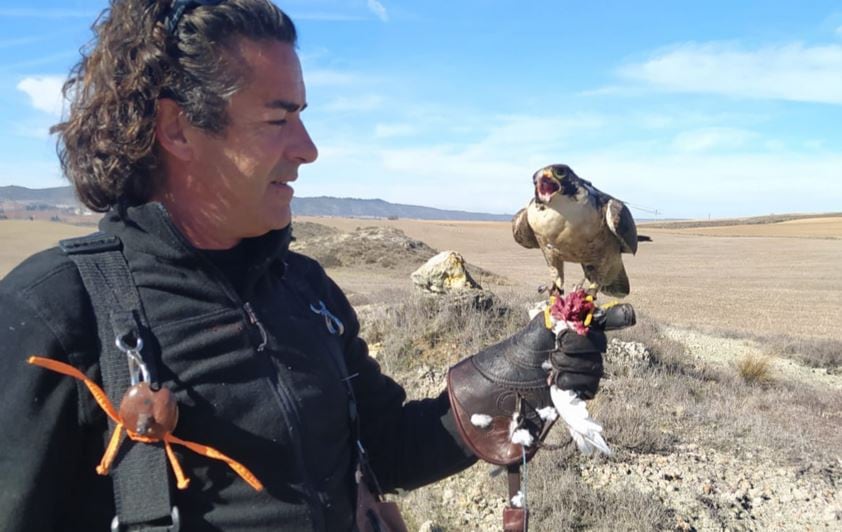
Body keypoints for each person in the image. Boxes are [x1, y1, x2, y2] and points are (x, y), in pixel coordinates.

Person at [0, 1, 610, 531]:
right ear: (177, 129)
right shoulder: (53, 314)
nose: (309, 148)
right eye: (278, 119)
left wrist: (524, 376)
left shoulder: (306, 290)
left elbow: (386, 449)